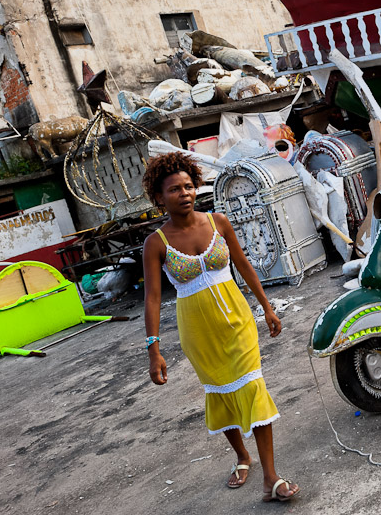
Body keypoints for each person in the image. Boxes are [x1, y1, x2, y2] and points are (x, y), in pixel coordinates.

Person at [141, 152, 300, 503]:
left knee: (252, 387)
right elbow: (152, 298)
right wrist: (154, 349)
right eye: (174, 190)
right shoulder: (156, 243)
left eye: (188, 186)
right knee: (221, 393)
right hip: (197, 331)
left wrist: (268, 309)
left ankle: (270, 476)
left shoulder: (218, 222)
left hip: (236, 321)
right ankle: (242, 456)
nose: (184, 194)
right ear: (158, 198)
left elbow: (244, 266)